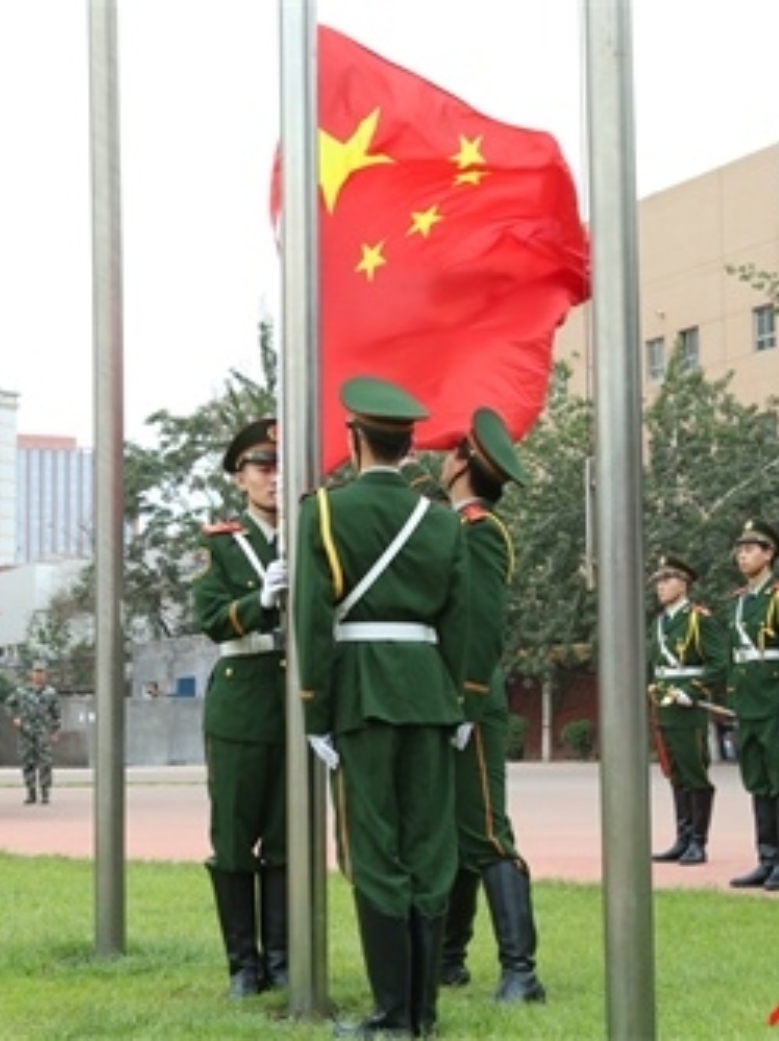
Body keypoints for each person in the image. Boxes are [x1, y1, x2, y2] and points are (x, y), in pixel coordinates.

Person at [293, 376, 469, 1038]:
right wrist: (458, 702)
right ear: (410, 444)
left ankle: (394, 1015)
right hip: (428, 691)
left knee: (373, 850)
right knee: (430, 848)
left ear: (355, 439)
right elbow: (462, 618)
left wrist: (315, 710)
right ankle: (424, 1013)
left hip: (361, 694)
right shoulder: (442, 520)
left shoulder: (324, 511)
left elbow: (313, 619)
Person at [412, 408, 548, 1005]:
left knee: (487, 831)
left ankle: (522, 972)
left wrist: (465, 703)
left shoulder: (479, 530)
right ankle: (450, 958)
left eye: (451, 453)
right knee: (454, 832)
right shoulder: (454, 525)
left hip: (468, 700)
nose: (442, 461)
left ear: (463, 464)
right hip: (444, 698)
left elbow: (481, 624)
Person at [191, 417, 289, 999]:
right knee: (233, 838)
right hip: (243, 698)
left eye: (282, 466)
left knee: (285, 838)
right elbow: (210, 616)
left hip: (295, 701)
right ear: (239, 478)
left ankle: (281, 960)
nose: (274, 477)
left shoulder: (309, 536)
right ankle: (243, 966)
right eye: (263, 466)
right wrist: (260, 601)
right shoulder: (221, 543)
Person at [724, 519, 779, 892]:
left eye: (750, 549)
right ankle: (766, 857)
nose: (742, 556)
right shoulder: (739, 601)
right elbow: (734, 657)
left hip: (775, 702)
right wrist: (733, 700)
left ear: (769, 553)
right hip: (749, 704)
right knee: (758, 782)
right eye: (739, 550)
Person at [646, 553, 728, 867]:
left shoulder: (698, 619)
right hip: (665, 705)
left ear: (683, 584)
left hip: (688, 707)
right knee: (676, 773)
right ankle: (682, 838)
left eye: (666, 580)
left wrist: (691, 691)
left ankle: (698, 842)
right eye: (658, 581)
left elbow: (720, 663)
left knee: (694, 773)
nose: (660, 586)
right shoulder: (660, 623)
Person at [5, 662, 61, 805]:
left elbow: (56, 713)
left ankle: (45, 793)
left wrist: (55, 731)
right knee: (27, 762)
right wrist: (15, 717)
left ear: (45, 675)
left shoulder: (51, 693)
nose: (39, 675)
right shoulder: (21, 691)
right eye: (36, 672)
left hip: (43, 732)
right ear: (31, 674)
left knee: (45, 763)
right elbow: (9, 704)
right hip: (26, 732)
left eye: (41, 672)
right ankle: (31, 793)